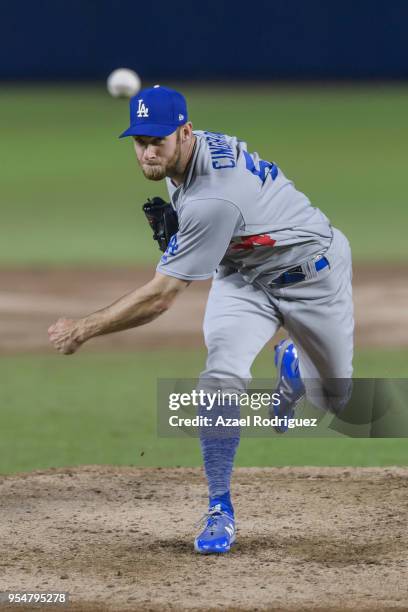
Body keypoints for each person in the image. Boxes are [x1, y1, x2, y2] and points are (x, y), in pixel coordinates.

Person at [48, 85, 354, 554]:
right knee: (220, 376)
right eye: (139, 142)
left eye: (158, 141)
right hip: (244, 277)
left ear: (185, 133)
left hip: (313, 279)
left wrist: (82, 330)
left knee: (333, 399)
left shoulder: (214, 198)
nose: (148, 153)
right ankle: (219, 506)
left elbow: (161, 298)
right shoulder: (184, 159)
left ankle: (293, 360)